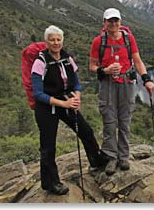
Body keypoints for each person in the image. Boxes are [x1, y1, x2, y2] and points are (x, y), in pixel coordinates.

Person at [31, 25, 103, 195]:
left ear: (62, 41)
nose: (56, 43)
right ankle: (50, 183)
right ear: (46, 42)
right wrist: (63, 104)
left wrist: (77, 96)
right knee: (48, 146)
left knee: (86, 131)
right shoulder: (40, 62)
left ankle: (96, 161)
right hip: (47, 107)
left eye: (58, 39)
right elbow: (38, 93)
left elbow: (76, 83)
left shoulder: (67, 59)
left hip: (67, 101)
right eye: (52, 40)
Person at [89, 8, 154, 175]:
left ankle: (124, 156)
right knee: (109, 120)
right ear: (104, 23)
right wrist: (105, 70)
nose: (113, 24)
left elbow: (137, 61)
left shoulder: (128, 38)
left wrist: (146, 79)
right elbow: (92, 66)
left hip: (127, 82)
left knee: (125, 120)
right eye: (110, 21)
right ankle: (111, 156)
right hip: (107, 84)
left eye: (116, 20)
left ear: (120, 22)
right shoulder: (98, 41)